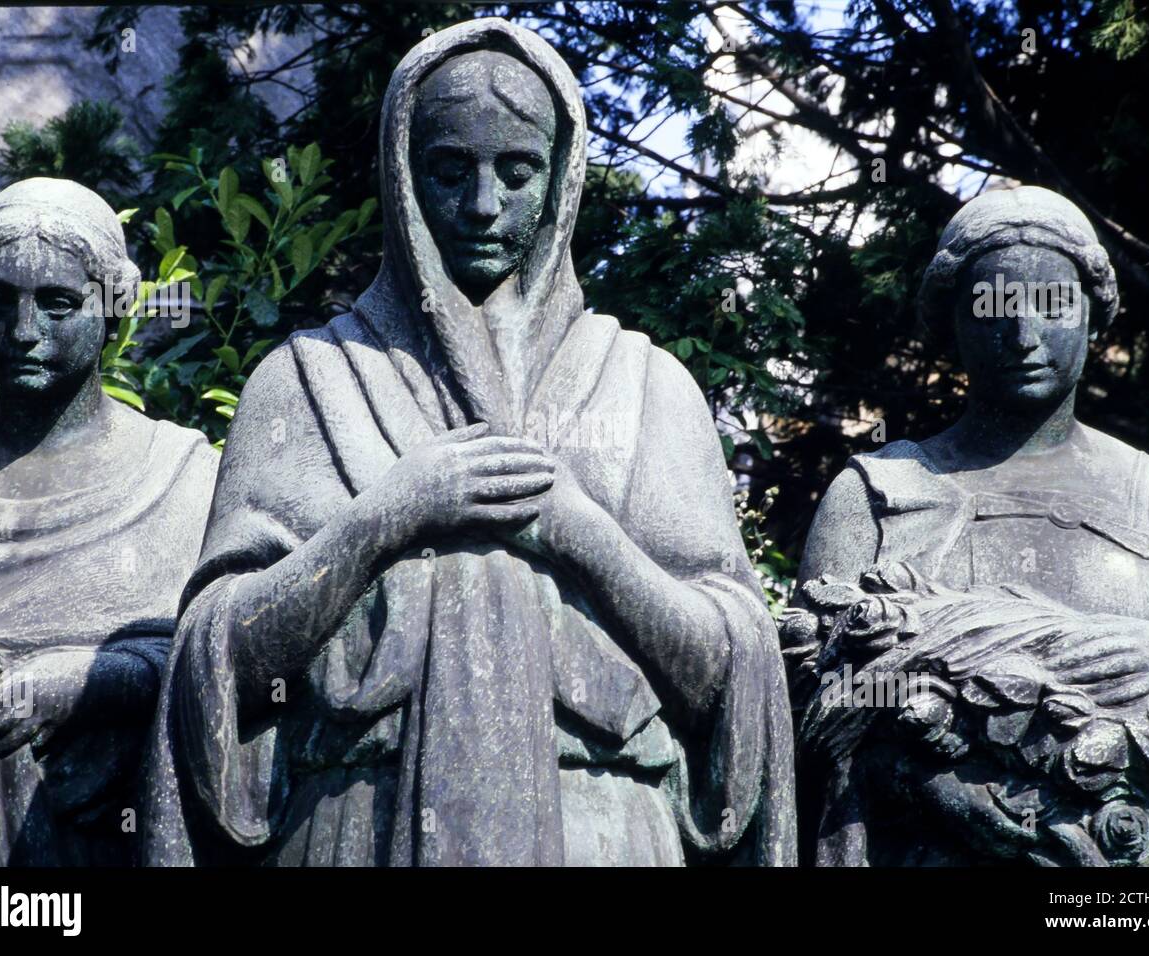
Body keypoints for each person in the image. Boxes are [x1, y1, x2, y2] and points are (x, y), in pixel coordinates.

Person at [143, 18, 796, 867]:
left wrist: (584, 536)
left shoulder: (646, 387)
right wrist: (385, 519)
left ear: (561, 179)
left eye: (517, 172)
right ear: (404, 179)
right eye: (450, 170)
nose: (484, 205)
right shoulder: (306, 380)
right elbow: (215, 658)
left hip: (601, 823)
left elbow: (729, 671)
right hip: (354, 826)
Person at [795, 185, 1149, 865]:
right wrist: (939, 790)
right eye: (992, 309)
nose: (1023, 336)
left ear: (1093, 313)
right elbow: (812, 717)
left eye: (1052, 306)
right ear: (951, 320)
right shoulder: (873, 496)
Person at [0, 178, 218, 864]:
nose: (24, 332)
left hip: (111, 828)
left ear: (112, 309)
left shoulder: (179, 475)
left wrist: (92, 680)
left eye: (58, 304)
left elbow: (225, 652)